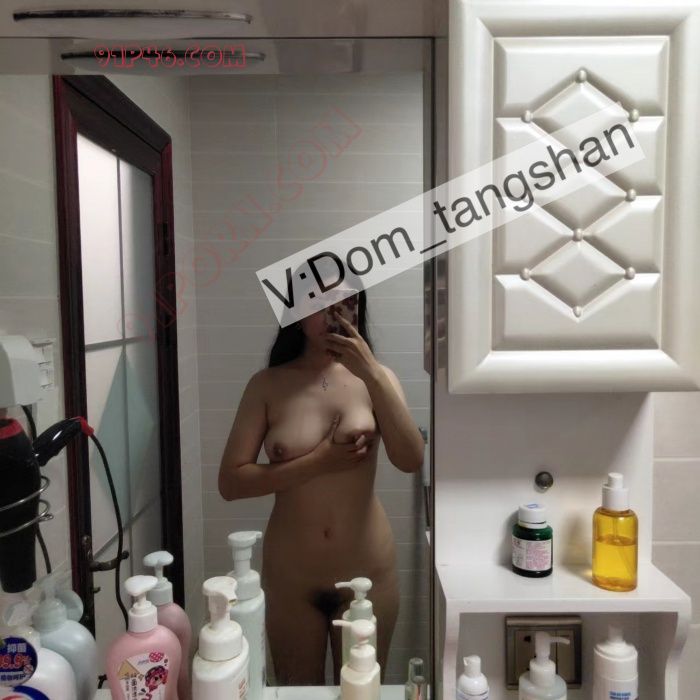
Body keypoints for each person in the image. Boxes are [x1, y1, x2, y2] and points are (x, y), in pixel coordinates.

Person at [218, 284, 425, 685]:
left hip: (368, 572)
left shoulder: (378, 379)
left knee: (363, 691)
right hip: (291, 578)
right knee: (296, 691)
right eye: (318, 300)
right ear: (296, 313)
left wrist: (371, 372)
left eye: (346, 299)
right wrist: (320, 461)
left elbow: (411, 459)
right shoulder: (267, 385)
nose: (334, 310)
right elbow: (231, 482)